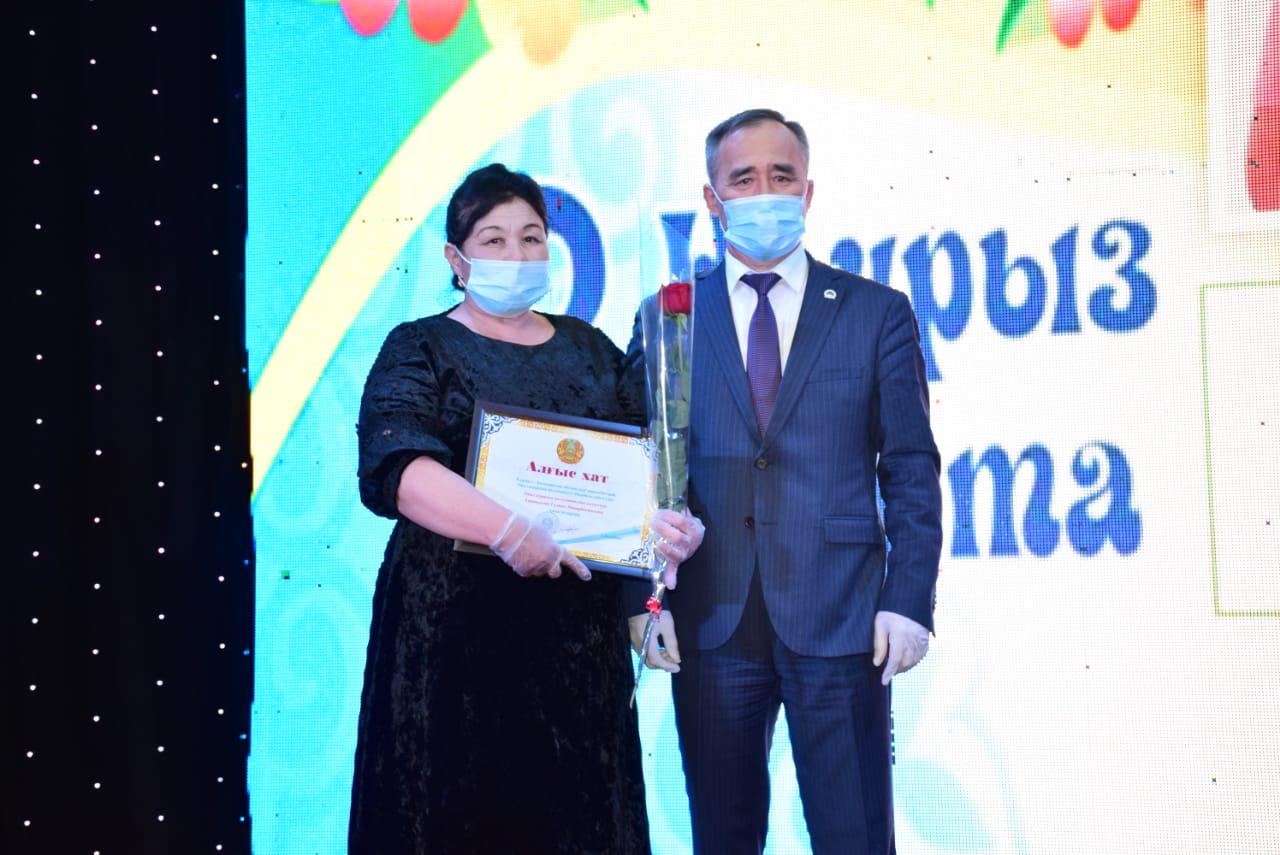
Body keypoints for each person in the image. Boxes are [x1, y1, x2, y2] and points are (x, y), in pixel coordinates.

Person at [350, 163, 703, 854]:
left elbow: (640, 471)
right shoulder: (419, 346)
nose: (515, 254)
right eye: (493, 240)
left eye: (531, 237)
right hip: (451, 643)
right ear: (456, 259)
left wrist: (667, 531)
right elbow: (399, 470)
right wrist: (507, 531)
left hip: (575, 649)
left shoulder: (588, 348)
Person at [626, 110, 942, 854]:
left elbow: (910, 468)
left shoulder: (875, 312)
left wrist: (908, 600)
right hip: (711, 620)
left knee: (854, 834)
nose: (764, 192)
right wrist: (640, 599)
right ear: (712, 199)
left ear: (808, 191)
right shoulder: (671, 317)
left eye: (781, 176)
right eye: (744, 179)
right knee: (723, 837)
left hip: (843, 618)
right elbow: (639, 469)